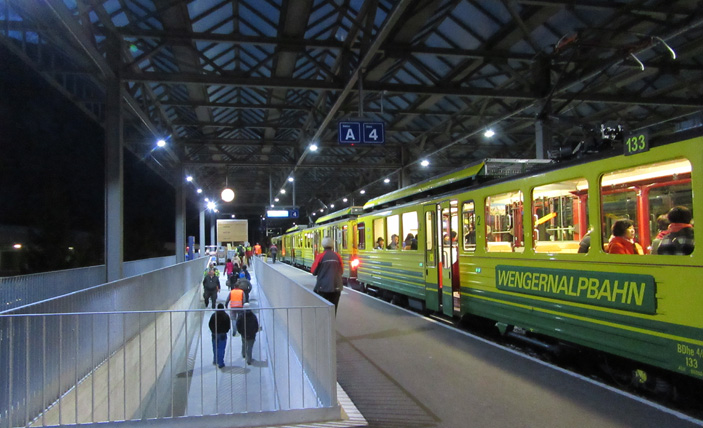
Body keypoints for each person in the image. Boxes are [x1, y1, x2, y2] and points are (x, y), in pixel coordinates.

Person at [311, 237, 343, 314]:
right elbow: (341, 271)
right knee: (333, 310)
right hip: (336, 287)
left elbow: (313, 271)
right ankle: (332, 324)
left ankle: (324, 324)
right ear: (332, 245)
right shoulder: (337, 256)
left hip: (323, 287)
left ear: (323, 245)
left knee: (322, 310)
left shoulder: (320, 256)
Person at [208, 303, 230, 368]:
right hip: (222, 334)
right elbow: (228, 326)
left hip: (214, 334)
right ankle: (220, 363)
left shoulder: (214, 315)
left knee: (215, 348)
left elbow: (210, 324)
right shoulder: (226, 316)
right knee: (221, 349)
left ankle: (215, 360)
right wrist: (225, 331)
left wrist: (213, 330)